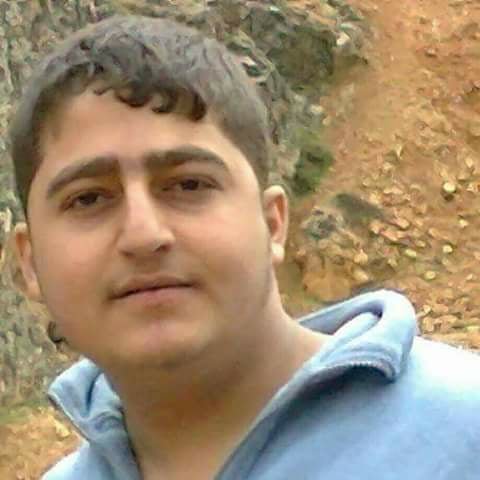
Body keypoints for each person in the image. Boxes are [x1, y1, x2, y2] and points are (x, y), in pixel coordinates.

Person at [9, 15, 480, 480]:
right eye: (88, 199)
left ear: (273, 223)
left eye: (188, 185)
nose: (144, 235)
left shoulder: (462, 430)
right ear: (29, 263)